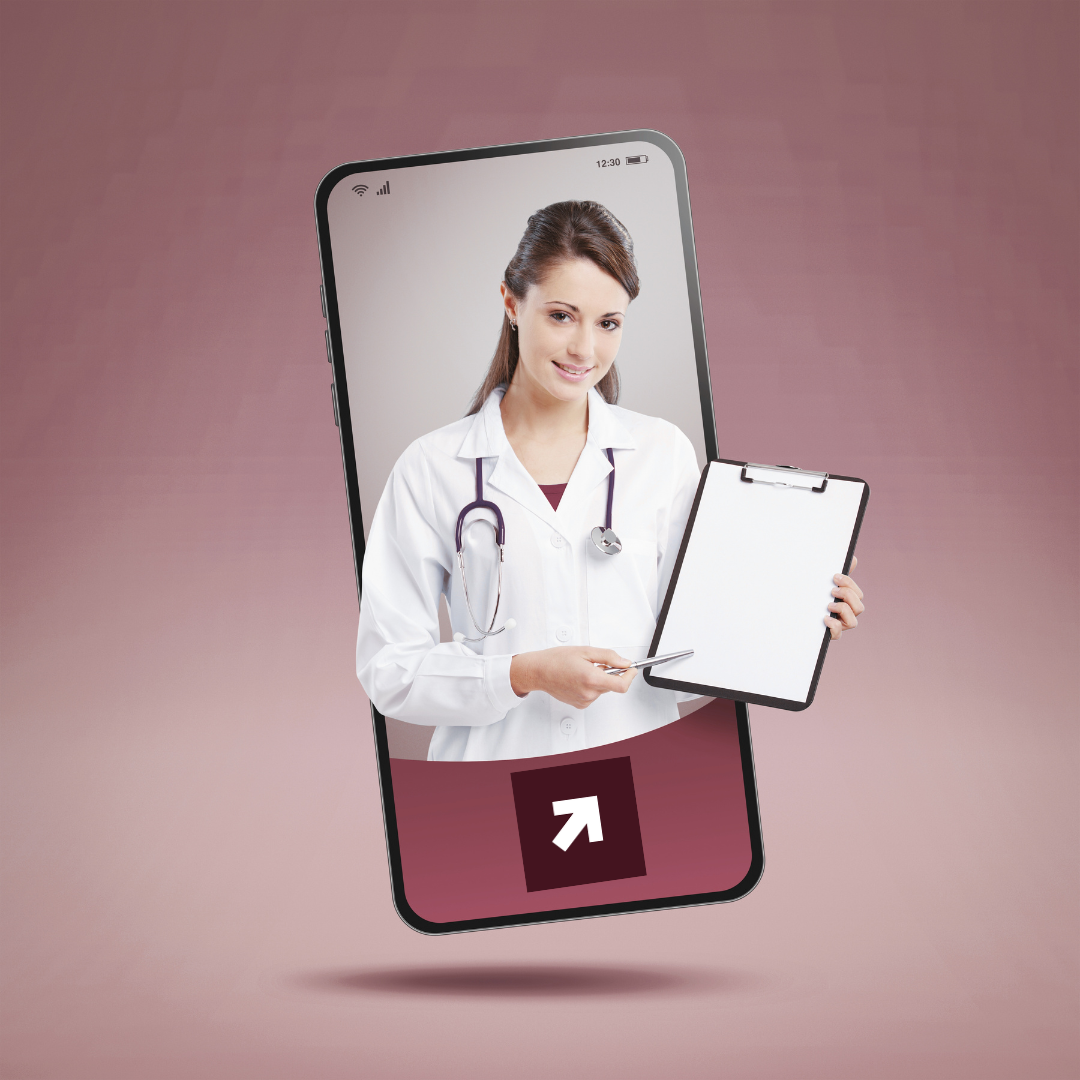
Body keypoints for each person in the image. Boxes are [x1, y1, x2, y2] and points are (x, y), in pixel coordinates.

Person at [356, 201, 865, 761]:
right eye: (561, 316)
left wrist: (792, 619)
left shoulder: (661, 453)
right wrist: (522, 674)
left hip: (641, 771)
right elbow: (390, 672)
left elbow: (695, 646)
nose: (585, 350)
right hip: (494, 782)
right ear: (510, 303)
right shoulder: (431, 468)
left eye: (608, 323)